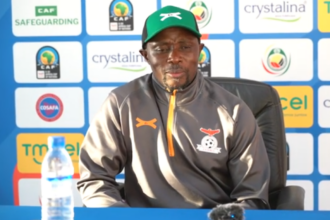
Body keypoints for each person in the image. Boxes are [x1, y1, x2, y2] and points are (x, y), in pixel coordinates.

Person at [77, 5, 270, 209]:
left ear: (200, 51)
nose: (174, 57)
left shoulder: (233, 111)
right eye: (161, 49)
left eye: (185, 47)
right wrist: (122, 215)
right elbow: (94, 179)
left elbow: (252, 197)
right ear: (145, 55)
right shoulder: (122, 102)